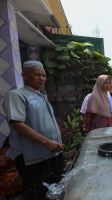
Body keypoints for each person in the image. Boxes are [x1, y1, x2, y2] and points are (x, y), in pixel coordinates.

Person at [3, 60, 64, 200]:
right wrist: (47, 142)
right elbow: (17, 124)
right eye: (37, 75)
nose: (42, 78)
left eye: (43, 75)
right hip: (33, 159)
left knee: (56, 191)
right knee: (36, 194)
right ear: (24, 76)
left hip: (52, 154)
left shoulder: (41, 95)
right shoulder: (17, 95)